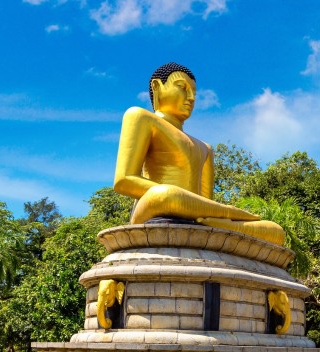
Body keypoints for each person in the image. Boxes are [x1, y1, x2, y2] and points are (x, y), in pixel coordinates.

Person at [113, 62, 285, 246]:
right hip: (156, 207)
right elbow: (124, 180)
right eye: (182, 88)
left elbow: (204, 203)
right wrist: (228, 212)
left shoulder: (205, 147)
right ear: (157, 87)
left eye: (194, 92)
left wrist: (210, 213)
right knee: (165, 193)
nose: (191, 97)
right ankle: (225, 216)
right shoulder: (142, 117)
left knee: (275, 231)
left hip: (197, 216)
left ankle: (220, 224)